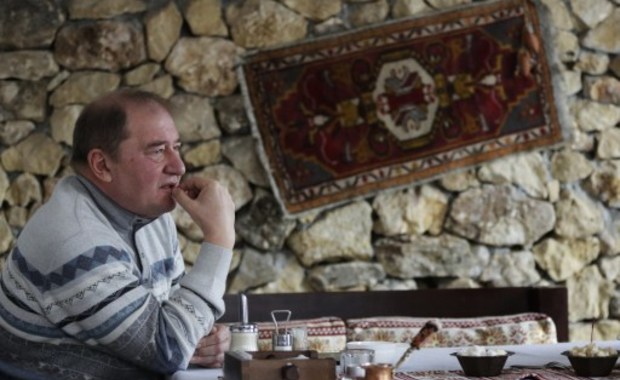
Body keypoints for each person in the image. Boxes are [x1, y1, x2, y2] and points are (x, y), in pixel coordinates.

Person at [0, 88, 236, 379]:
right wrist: (220, 238)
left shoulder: (151, 217)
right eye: (158, 150)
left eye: (177, 147)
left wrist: (204, 338)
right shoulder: (75, 241)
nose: (179, 166)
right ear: (102, 165)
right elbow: (169, 350)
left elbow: (177, 321)